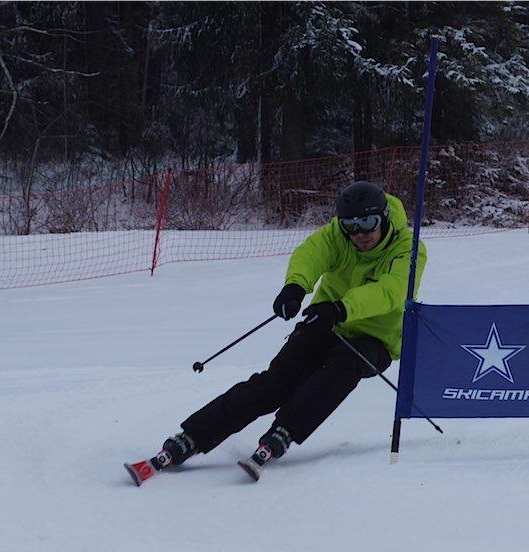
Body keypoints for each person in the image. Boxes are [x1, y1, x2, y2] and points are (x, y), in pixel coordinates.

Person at [125, 180, 427, 485]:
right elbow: (311, 254)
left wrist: (341, 308)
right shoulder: (339, 235)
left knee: (342, 369)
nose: (360, 234)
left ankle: (284, 431)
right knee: (277, 381)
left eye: (368, 223)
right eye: (351, 225)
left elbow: (392, 290)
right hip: (327, 321)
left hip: (375, 337)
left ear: (385, 217)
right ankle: (193, 436)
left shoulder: (408, 247)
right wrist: (295, 287)